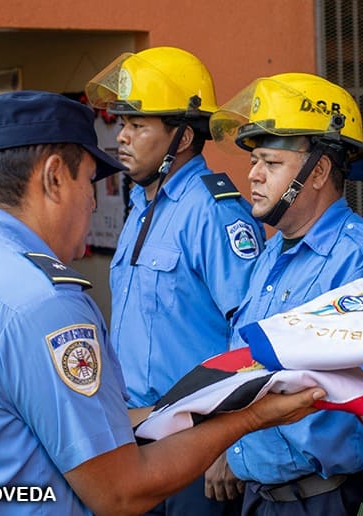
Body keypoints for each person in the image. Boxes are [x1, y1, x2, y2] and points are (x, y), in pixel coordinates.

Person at [0, 90, 323, 516]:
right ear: (54, 177)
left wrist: (188, 411)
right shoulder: (44, 302)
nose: (94, 200)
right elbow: (120, 494)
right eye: (89, 180)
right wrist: (252, 419)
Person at [209, 72, 363, 516]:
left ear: (318, 171)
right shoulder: (271, 254)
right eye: (254, 162)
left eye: (270, 163)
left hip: (329, 499)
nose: (252, 175)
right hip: (260, 496)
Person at [84, 47, 264, 515]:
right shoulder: (142, 205)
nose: (122, 137)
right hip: (136, 435)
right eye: (122, 124)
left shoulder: (214, 212)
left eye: (138, 126)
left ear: (182, 137)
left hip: (195, 444)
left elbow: (253, 332)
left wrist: (228, 442)